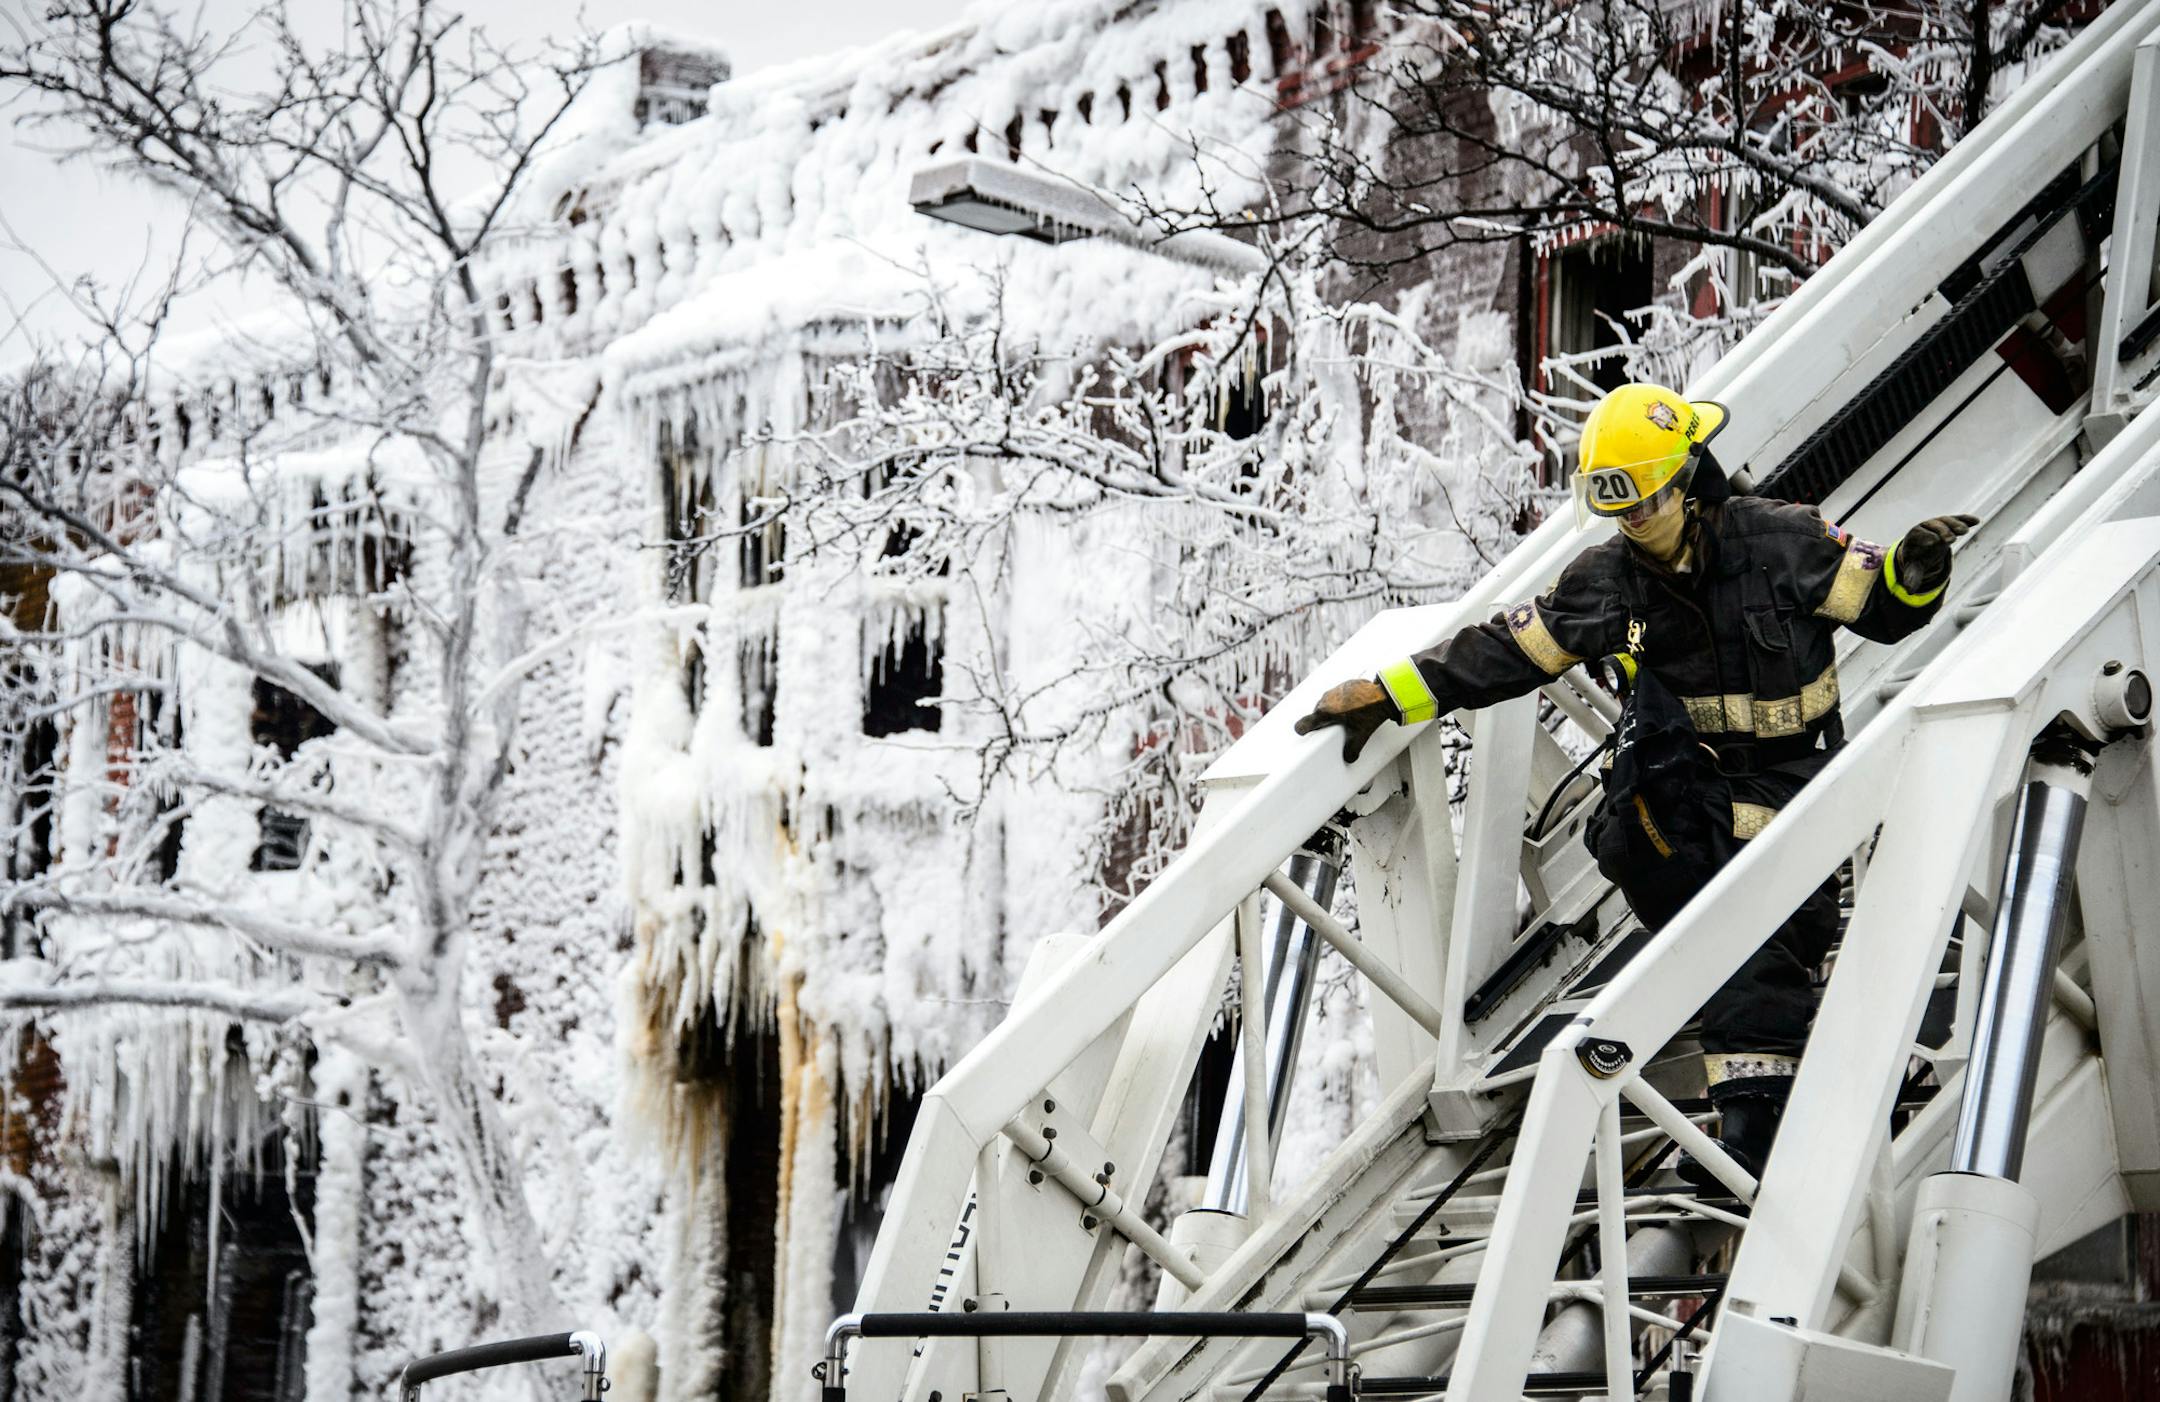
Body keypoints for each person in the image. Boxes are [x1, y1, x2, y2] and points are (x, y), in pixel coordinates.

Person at [1296, 382, 1976, 1183]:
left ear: (1684, 477)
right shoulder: (1607, 585)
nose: (1633, 521)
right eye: (1616, 506)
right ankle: (1761, 1116)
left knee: (1760, 916)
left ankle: (1764, 1120)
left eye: (1645, 501)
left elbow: (1888, 609)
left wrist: (1917, 570)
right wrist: (1387, 694)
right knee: (1669, 858)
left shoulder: (1783, 543)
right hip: (1695, 799)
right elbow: (1503, 655)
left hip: (1801, 787)